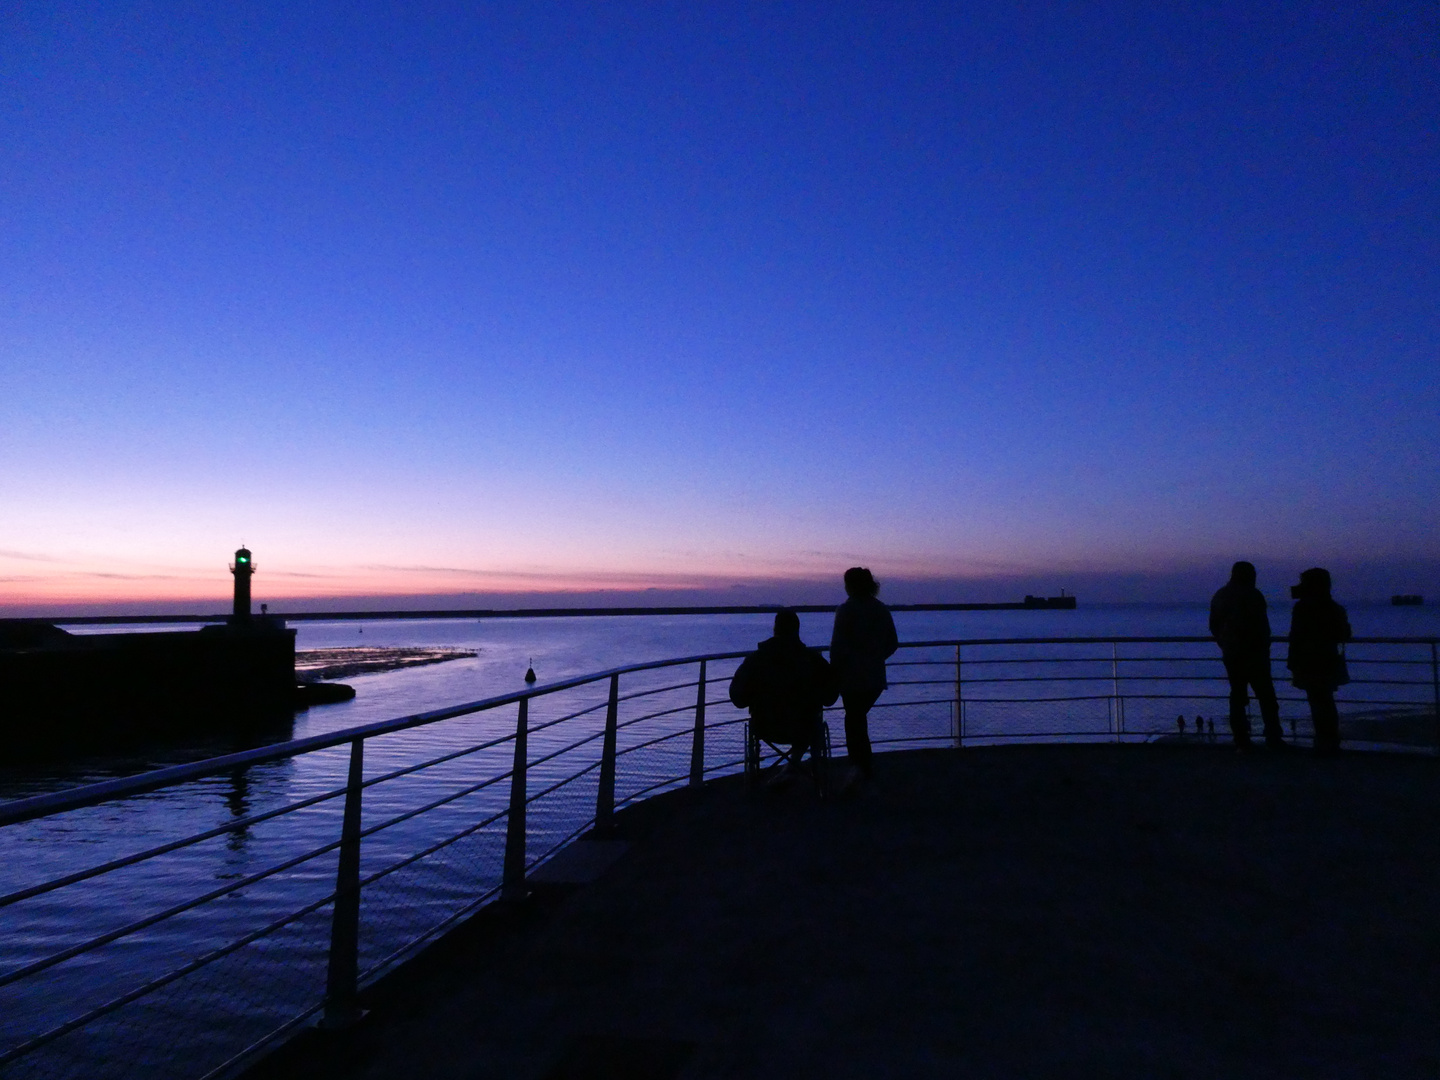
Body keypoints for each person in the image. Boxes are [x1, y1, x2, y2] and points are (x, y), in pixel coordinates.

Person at [729, 608, 838, 784]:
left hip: (766, 727)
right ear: (797, 630)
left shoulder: (756, 660)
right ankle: (799, 768)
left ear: (775, 629)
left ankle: (789, 769)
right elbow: (830, 697)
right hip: (804, 727)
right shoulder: (813, 660)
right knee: (812, 721)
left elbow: (737, 697)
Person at [828, 567, 898, 780]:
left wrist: (834, 672)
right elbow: (893, 643)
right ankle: (862, 765)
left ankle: (859, 766)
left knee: (853, 719)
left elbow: (837, 648)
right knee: (857, 718)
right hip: (875, 677)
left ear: (851, 585)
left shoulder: (846, 610)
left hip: (851, 677)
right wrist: (875, 658)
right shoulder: (880, 609)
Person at [1208, 561, 1282, 749]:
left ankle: (1241, 738)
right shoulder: (1253, 595)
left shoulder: (1220, 595)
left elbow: (1213, 625)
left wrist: (1224, 643)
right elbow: (1261, 625)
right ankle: (1273, 737)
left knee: (1237, 695)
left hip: (1231, 653)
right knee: (1266, 696)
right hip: (1255, 653)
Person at [1286, 567, 1351, 755]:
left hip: (1309, 660)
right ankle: (1330, 739)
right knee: (1326, 701)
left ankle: (1324, 739)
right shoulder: (1335, 608)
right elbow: (1344, 633)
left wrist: (1292, 661)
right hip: (1328, 659)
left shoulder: (1303, 608)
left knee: (1317, 701)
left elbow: (1296, 636)